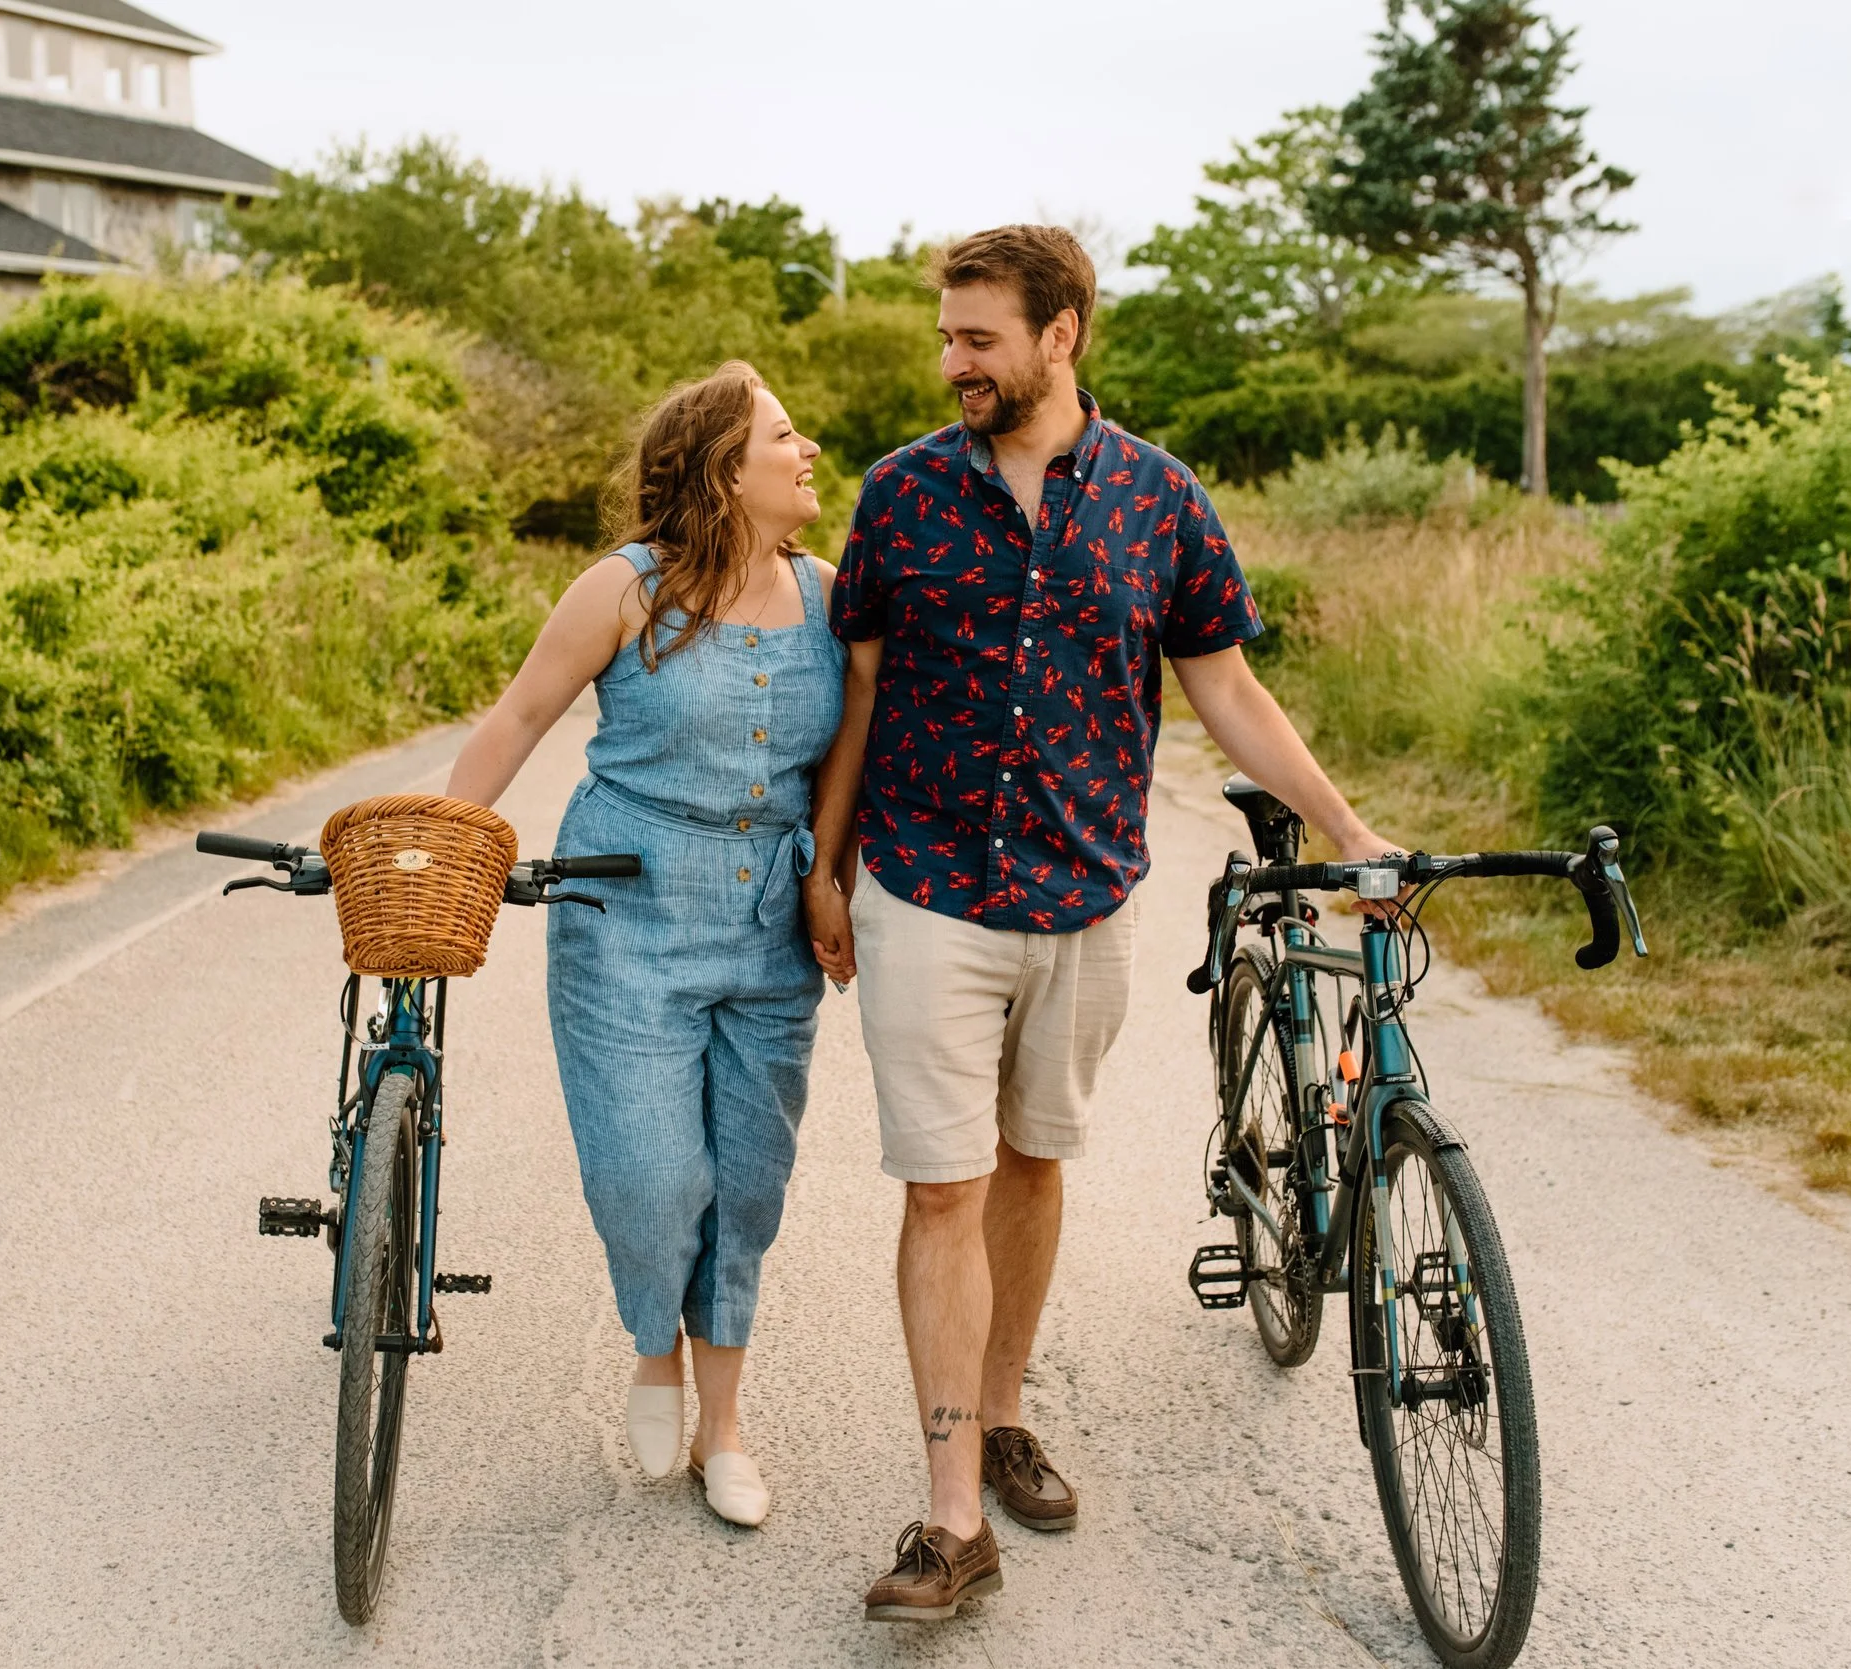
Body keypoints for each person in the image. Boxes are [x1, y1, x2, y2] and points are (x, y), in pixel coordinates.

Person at [802, 226, 1399, 1620]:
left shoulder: (1158, 499)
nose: (954, 362)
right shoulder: (898, 497)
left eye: (979, 339)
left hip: (1084, 891)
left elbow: (1227, 690)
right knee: (939, 1182)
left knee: (1030, 1159)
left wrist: (1354, 828)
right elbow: (864, 692)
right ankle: (953, 1515)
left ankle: (1004, 1412)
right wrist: (825, 866)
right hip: (926, 884)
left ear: (1061, 333)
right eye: (946, 337)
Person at [444, 361, 844, 1529]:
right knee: (649, 1175)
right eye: (783, 433)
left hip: (767, 924)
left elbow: (846, 761)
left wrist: (829, 878)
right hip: (626, 910)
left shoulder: (827, 593)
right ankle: (652, 1348)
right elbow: (520, 715)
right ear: (727, 468)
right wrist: (444, 845)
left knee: (748, 1183)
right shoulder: (625, 589)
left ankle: (725, 1427)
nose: (807, 446)